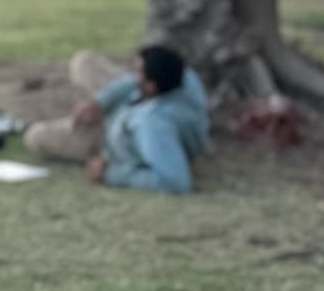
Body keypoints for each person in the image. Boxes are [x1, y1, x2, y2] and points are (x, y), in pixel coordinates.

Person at [24, 45, 209, 194]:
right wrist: (100, 102)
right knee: (84, 62)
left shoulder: (153, 126)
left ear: (151, 86)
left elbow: (176, 182)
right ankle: (88, 109)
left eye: (138, 71)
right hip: (128, 107)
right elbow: (130, 82)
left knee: (36, 136)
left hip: (110, 140)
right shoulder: (186, 78)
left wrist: (111, 174)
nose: (133, 74)